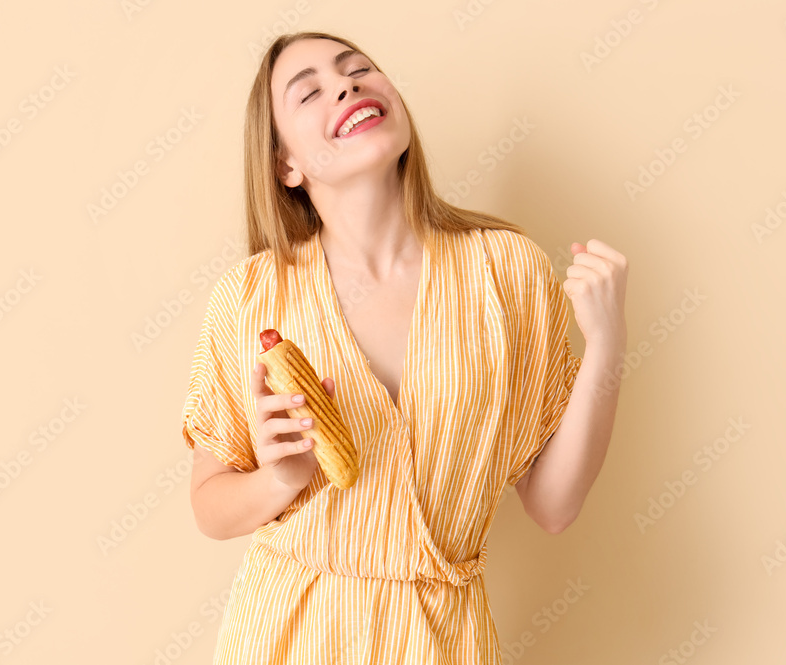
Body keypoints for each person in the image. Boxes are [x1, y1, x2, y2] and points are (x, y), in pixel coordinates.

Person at [181, 30, 628, 664]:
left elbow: (553, 505)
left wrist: (607, 349)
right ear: (286, 165)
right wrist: (279, 477)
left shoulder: (505, 270)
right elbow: (210, 509)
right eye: (309, 92)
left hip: (442, 641)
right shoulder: (253, 295)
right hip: (287, 634)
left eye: (358, 69)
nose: (346, 85)